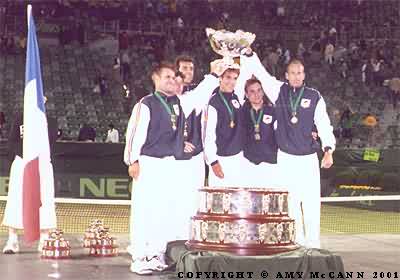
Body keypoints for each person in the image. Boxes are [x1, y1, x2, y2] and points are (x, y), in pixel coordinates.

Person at [124, 60, 228, 275]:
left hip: (169, 165)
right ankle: (140, 256)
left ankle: (157, 253)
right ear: (155, 79)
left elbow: (200, 95)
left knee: (163, 210)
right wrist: (132, 161)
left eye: (173, 77)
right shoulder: (146, 104)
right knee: (146, 210)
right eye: (166, 77)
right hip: (149, 163)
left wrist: (213, 74)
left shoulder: (178, 103)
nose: (171, 81)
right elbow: (134, 135)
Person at [241, 51, 336, 249]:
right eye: (292, 73)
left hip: (308, 157)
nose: (296, 76)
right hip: (285, 158)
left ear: (304, 74)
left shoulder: (314, 96)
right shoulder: (278, 91)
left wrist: (328, 149)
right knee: (290, 203)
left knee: (310, 202)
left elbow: (324, 124)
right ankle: (296, 241)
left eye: (299, 72)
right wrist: (249, 53)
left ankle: (313, 244)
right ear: (286, 75)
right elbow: (261, 73)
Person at [2, 101, 58, 254]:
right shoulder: (19, 118)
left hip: (42, 162)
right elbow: (12, 142)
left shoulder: (50, 121)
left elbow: (51, 143)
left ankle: (45, 239)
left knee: (45, 199)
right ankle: (12, 239)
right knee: (15, 198)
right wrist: (24, 155)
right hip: (22, 162)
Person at [203, 62, 249, 187]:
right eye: (228, 77)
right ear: (220, 78)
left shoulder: (237, 96)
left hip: (239, 157)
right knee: (219, 202)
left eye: (235, 78)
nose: (232, 82)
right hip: (221, 159)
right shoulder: (213, 102)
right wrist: (213, 161)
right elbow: (208, 135)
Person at [240, 78, 279, 187]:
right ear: (246, 95)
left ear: (263, 91)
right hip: (248, 163)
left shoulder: (273, 111)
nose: (256, 94)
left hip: (270, 163)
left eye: (259, 90)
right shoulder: (241, 112)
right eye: (252, 91)